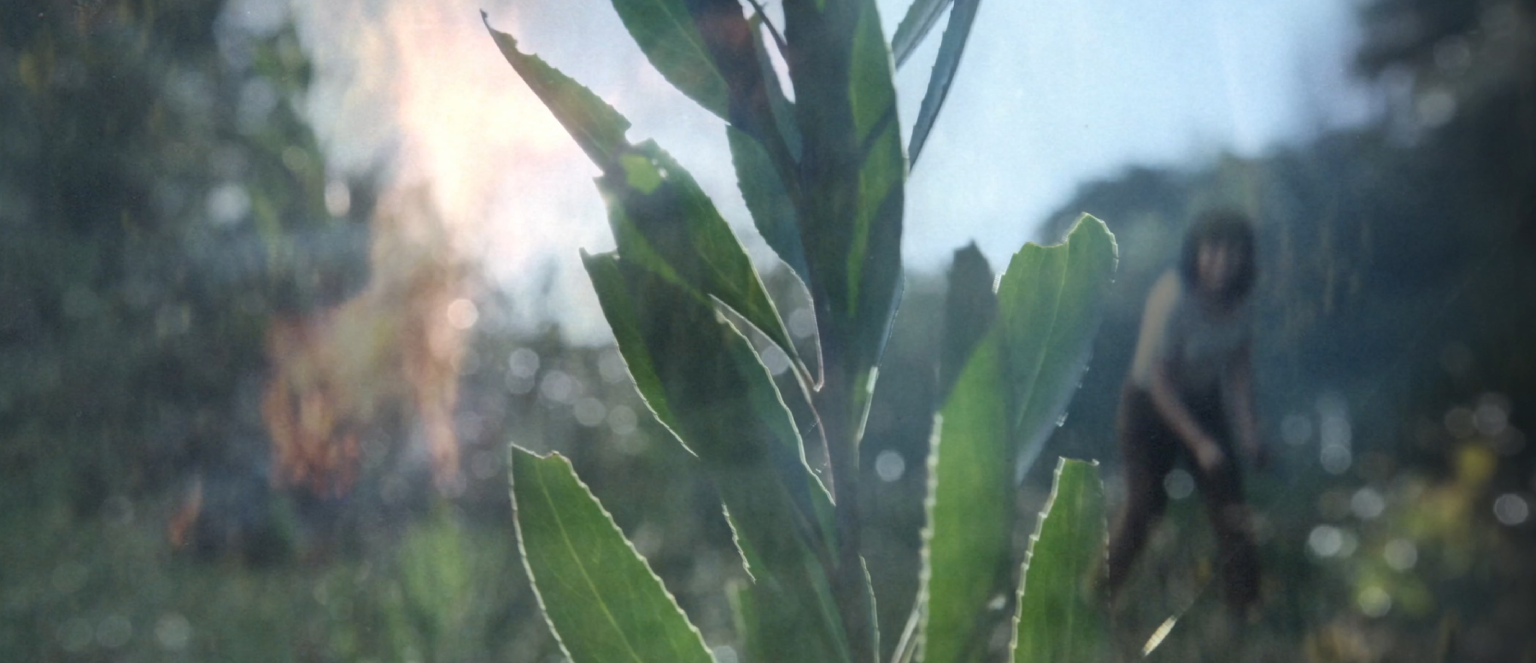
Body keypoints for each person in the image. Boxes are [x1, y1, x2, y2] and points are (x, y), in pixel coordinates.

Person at [1103, 209, 1267, 617]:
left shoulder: (1242, 301)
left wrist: (1248, 434)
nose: (1222, 264)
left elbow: (1238, 369)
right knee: (1145, 507)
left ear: (1244, 259)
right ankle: (1098, 599)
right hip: (1148, 405)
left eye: (1233, 254)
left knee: (1231, 504)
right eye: (1212, 252)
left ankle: (1245, 613)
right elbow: (1160, 381)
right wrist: (1199, 443)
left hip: (1204, 400)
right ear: (1196, 253)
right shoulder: (1173, 296)